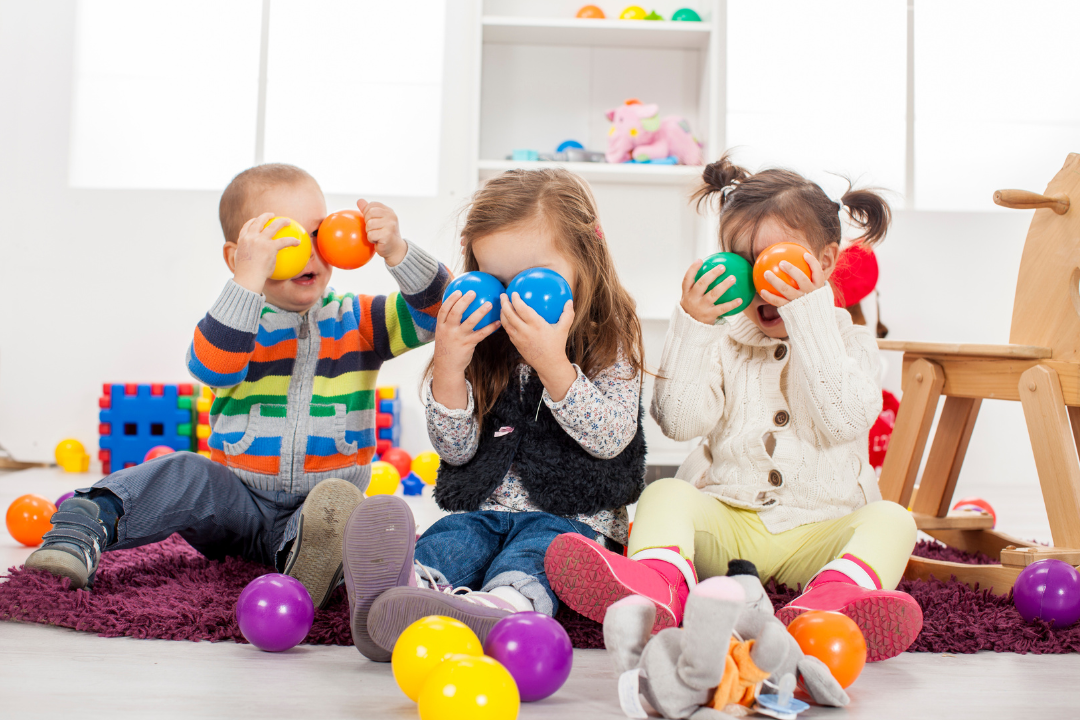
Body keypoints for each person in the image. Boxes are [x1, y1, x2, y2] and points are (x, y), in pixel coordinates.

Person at [545, 154, 921, 662]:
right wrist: (693, 326)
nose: (761, 281)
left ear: (826, 263)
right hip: (731, 525)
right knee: (665, 494)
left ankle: (832, 600)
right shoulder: (723, 341)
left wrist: (808, 314)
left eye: (779, 261)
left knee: (894, 520)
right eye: (742, 262)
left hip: (821, 530)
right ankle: (658, 585)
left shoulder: (848, 341)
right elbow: (679, 422)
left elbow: (843, 419)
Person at [26, 164, 449, 614]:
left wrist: (399, 252)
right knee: (185, 469)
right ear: (238, 257)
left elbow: (436, 312)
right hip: (236, 506)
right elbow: (212, 366)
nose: (307, 252)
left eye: (318, 233)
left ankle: (307, 564)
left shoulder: (358, 321)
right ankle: (85, 525)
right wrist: (246, 283)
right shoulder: (237, 324)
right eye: (283, 241)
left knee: (344, 511)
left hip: (313, 513)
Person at [341, 168, 647, 661]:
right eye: (493, 280)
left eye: (533, 281)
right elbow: (456, 451)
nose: (509, 301)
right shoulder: (482, 340)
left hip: (572, 518)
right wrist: (449, 367)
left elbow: (612, 439)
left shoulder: (610, 337)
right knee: (451, 538)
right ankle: (401, 594)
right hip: (485, 511)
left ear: (585, 258)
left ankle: (502, 606)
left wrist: (554, 365)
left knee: (540, 554)